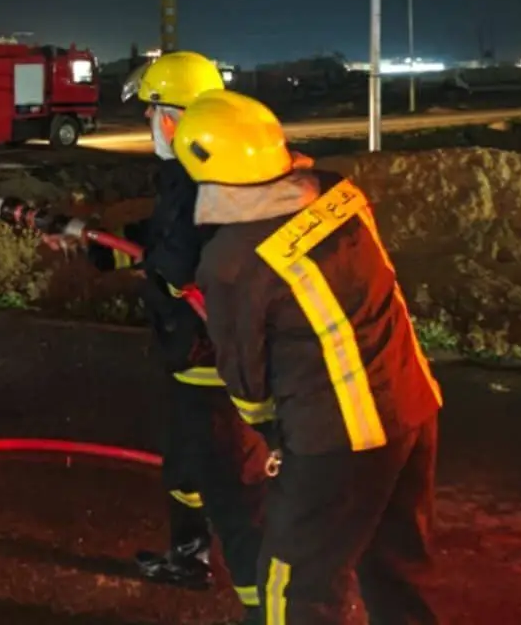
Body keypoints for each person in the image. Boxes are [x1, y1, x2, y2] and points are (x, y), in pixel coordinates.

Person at [173, 89, 444, 625]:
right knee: (396, 566)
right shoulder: (342, 194)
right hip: (413, 405)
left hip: (339, 440)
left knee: (293, 585)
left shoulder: (230, 262)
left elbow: (248, 385)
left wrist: (274, 440)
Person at [117, 52, 267, 622]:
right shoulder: (187, 171)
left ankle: (265, 609)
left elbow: (178, 262)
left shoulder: (203, 174)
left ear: (176, 116)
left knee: (231, 489)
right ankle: (188, 556)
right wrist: (114, 245)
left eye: (153, 111)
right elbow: (165, 240)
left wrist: (149, 261)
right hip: (192, 352)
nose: (150, 123)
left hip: (213, 357)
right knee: (184, 467)